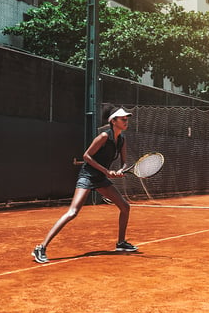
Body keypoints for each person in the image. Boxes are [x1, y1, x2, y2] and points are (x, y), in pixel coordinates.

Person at [32, 107, 138, 263]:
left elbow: (124, 162)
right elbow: (86, 156)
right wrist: (106, 171)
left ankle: (121, 243)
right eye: (123, 119)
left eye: (126, 119)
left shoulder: (122, 140)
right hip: (88, 176)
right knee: (73, 212)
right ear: (113, 121)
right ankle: (40, 248)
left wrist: (120, 171)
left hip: (101, 178)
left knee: (125, 206)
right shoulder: (103, 136)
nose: (126, 121)